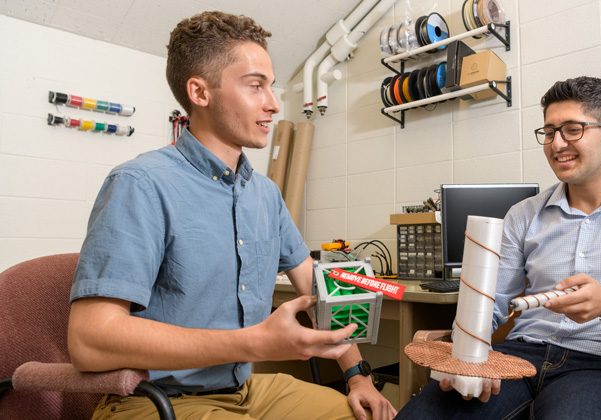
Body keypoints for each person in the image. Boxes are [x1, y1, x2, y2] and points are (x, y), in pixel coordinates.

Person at [68, 11, 396, 420]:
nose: (274, 104)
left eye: (271, 87)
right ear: (200, 93)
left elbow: (318, 287)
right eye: (255, 86)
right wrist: (254, 343)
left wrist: (358, 375)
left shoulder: (266, 195)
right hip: (153, 400)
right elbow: (88, 341)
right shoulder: (140, 184)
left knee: (365, 416)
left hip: (246, 390)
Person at [396, 76, 601, 420]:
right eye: (549, 131)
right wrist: (468, 355)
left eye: (572, 129)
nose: (556, 144)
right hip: (518, 358)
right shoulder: (523, 214)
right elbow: (488, 302)